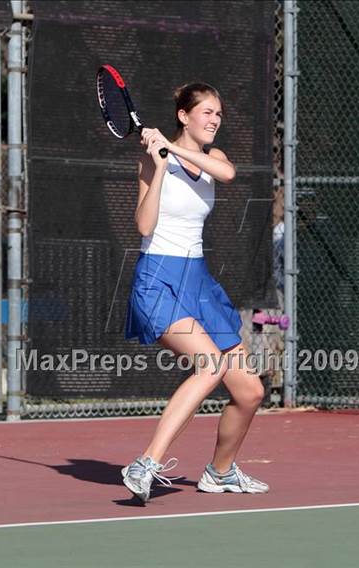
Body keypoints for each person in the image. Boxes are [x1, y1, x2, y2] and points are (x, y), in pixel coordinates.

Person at [122, 82, 269, 503]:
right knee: (210, 367)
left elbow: (227, 173)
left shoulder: (212, 158)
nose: (215, 120)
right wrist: (160, 165)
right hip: (159, 278)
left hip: (199, 282)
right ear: (184, 116)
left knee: (250, 391)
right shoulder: (154, 162)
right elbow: (145, 226)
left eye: (218, 113)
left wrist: (173, 149)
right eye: (206, 112)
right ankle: (146, 463)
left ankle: (220, 473)